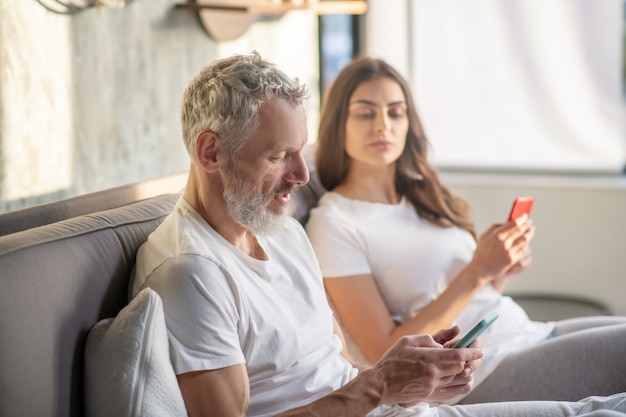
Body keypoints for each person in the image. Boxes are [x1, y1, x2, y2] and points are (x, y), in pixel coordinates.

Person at [131, 51, 626, 417]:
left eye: (301, 152)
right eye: (280, 155)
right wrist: (380, 387)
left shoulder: (279, 231)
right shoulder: (192, 273)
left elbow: (339, 362)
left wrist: (413, 383)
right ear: (211, 152)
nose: (303, 177)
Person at [304, 55, 626, 406]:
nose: (383, 125)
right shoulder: (334, 223)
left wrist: (498, 273)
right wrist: (477, 272)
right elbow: (383, 352)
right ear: (338, 124)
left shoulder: (423, 198)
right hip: (483, 369)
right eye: (365, 113)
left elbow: (470, 298)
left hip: (523, 331)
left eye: (395, 112)